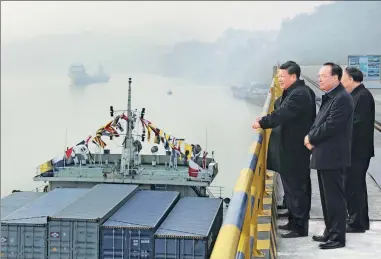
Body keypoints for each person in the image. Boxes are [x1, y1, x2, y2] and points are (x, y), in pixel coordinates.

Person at [253, 61, 315, 238]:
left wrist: (263, 122)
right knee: (292, 188)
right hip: (290, 149)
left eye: (282, 76)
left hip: (294, 150)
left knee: (297, 189)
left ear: (293, 76)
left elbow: (283, 113)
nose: (279, 79)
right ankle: (293, 220)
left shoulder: (300, 94)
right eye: (278, 76)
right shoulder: (295, 92)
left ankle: (299, 227)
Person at [304, 62, 354, 249]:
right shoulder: (331, 97)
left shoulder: (342, 98)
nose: (319, 79)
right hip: (324, 154)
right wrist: (311, 135)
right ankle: (329, 231)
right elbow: (319, 121)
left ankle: (337, 238)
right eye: (319, 76)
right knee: (326, 198)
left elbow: (331, 125)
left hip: (333, 156)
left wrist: (310, 137)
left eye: (323, 76)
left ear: (335, 78)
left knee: (335, 198)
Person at [341, 67, 374, 232]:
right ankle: (357, 219)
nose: (341, 81)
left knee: (354, 186)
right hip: (353, 150)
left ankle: (357, 223)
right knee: (353, 186)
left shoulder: (363, 97)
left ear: (352, 79)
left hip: (358, 151)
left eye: (343, 78)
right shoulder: (355, 96)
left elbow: (357, 125)